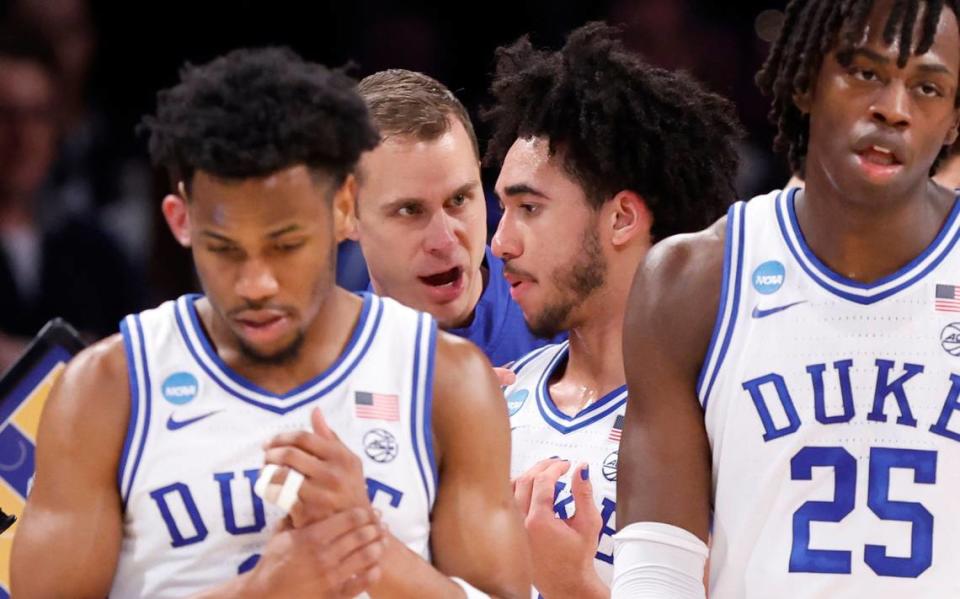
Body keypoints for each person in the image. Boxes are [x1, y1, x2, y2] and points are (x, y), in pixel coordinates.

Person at [11, 47, 530, 598]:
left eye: (286, 245)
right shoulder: (106, 390)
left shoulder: (448, 382)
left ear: (342, 208)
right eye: (226, 249)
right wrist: (260, 590)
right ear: (180, 220)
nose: (256, 284)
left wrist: (369, 550)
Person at [614, 0, 960, 596]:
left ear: (954, 121)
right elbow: (657, 571)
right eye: (866, 72)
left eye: (927, 87)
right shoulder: (693, 281)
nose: (893, 109)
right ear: (804, 83)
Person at [484, 23, 742, 598]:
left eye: (529, 207)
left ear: (622, 218)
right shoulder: (495, 401)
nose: (500, 242)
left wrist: (571, 584)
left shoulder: (721, 416)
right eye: (502, 210)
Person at [348, 68, 563, 367]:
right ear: (346, 212)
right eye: (410, 210)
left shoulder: (569, 318)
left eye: (458, 200)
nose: (445, 240)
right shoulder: (327, 372)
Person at [0, 27, 143, 370]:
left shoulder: (97, 252)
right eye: (5, 114)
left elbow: (140, 361)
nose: (23, 137)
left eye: (38, 115)